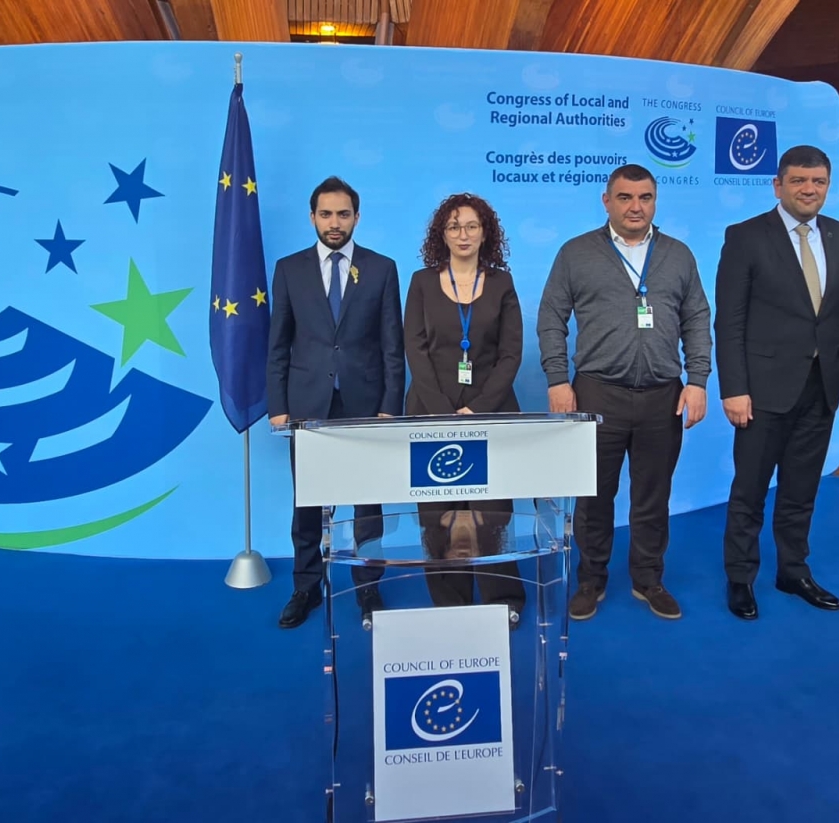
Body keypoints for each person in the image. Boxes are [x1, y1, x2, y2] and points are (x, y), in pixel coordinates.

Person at [537, 163, 712, 621]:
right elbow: (551, 317)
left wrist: (697, 380)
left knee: (653, 497)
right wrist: (557, 379)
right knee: (594, 498)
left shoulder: (678, 255)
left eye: (645, 197)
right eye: (625, 197)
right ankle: (591, 580)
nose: (636, 207)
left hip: (663, 396)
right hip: (597, 394)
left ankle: (648, 579)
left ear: (655, 201)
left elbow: (697, 319)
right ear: (607, 201)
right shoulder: (576, 253)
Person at [714, 145, 839, 621]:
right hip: (761, 392)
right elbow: (730, 321)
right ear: (777, 185)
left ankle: (793, 571)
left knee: (802, 490)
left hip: (821, 387)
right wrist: (733, 388)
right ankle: (741, 578)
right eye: (799, 180)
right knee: (749, 492)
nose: (809, 189)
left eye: (818, 181)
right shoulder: (745, 236)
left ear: (827, 186)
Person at [267, 176, 405, 629]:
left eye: (343, 214)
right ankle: (306, 586)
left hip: (366, 405)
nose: (334, 222)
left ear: (356, 218)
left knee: (368, 506)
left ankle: (368, 587)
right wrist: (278, 405)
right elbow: (278, 344)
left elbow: (392, 345)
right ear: (312, 217)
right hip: (307, 405)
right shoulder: (289, 269)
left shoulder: (382, 269)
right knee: (307, 504)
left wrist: (390, 406)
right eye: (325, 214)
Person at [403, 192, 526, 623]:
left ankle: (502, 600)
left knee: (493, 512)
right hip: (429, 412)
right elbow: (415, 349)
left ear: (486, 232)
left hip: (492, 413)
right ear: (442, 233)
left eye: (472, 226)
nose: (463, 234)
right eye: (454, 226)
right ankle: (450, 604)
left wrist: (479, 408)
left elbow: (511, 353)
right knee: (438, 514)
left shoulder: (502, 283)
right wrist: (442, 411)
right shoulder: (421, 282)